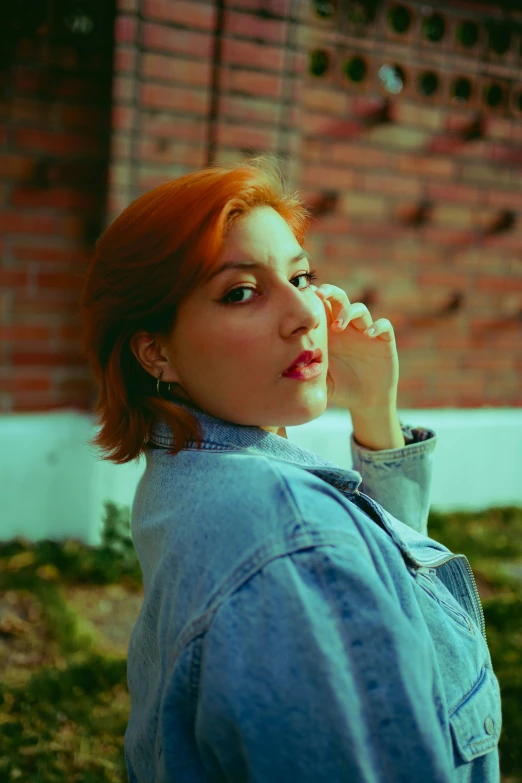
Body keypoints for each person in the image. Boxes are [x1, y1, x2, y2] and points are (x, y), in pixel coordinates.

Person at [80, 155, 502, 782]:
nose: (305, 315)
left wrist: (375, 414)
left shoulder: (183, 470)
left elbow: (389, 588)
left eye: (300, 277)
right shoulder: (296, 538)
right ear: (156, 350)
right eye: (241, 292)